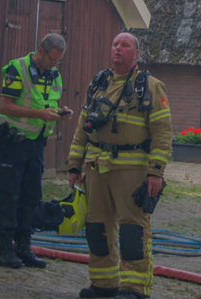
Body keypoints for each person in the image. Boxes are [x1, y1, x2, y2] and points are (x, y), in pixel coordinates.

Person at [67, 33, 173, 299]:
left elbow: (162, 132)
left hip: (132, 170)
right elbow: (82, 127)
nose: (118, 48)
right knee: (96, 228)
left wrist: (155, 171)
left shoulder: (150, 86)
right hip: (95, 167)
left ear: (136, 54)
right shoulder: (98, 83)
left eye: (125, 45)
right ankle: (104, 284)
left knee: (132, 230)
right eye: (115, 44)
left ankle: (135, 289)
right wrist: (73, 165)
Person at [0, 33, 75, 269]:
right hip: (13, 143)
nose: (54, 65)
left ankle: (23, 246)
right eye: (51, 59)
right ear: (40, 51)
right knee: (9, 196)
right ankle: (3, 249)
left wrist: (61, 112)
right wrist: (40, 115)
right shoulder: (16, 69)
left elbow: (46, 104)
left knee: (31, 196)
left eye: (58, 61)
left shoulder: (53, 74)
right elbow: (5, 106)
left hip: (37, 144)